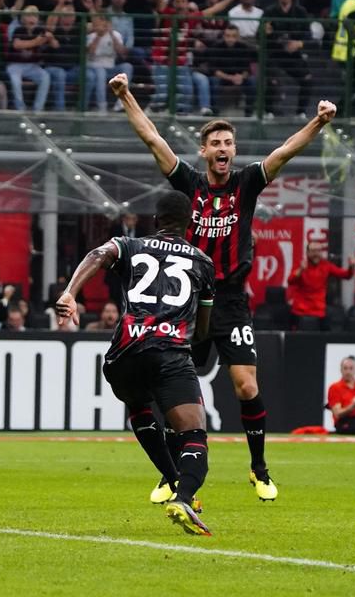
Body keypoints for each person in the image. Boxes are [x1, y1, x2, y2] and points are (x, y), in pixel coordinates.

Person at [111, 70, 337, 502]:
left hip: (230, 299)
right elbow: (154, 141)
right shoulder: (190, 184)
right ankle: (172, 472)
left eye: (228, 143)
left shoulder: (247, 183)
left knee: (246, 385)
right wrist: (125, 96)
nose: (223, 150)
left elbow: (285, 151)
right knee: (173, 388)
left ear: (233, 151)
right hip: (188, 302)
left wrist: (319, 122)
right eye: (215, 144)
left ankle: (259, 469)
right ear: (204, 151)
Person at [55, 191, 216, 535]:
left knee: (138, 403)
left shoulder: (131, 245)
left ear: (155, 221)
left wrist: (70, 293)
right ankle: (185, 496)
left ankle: (171, 479)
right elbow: (203, 330)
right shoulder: (203, 262)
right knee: (194, 434)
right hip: (170, 351)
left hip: (123, 354)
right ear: (190, 225)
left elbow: (98, 254)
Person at [287, 243, 354, 330]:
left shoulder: (326, 265)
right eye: (313, 251)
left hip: (319, 311)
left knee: (323, 338)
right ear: (307, 253)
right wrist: (301, 269)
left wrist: (351, 266)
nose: (316, 254)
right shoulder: (301, 265)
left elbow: (347, 275)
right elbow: (290, 281)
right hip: (300, 311)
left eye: (319, 251)